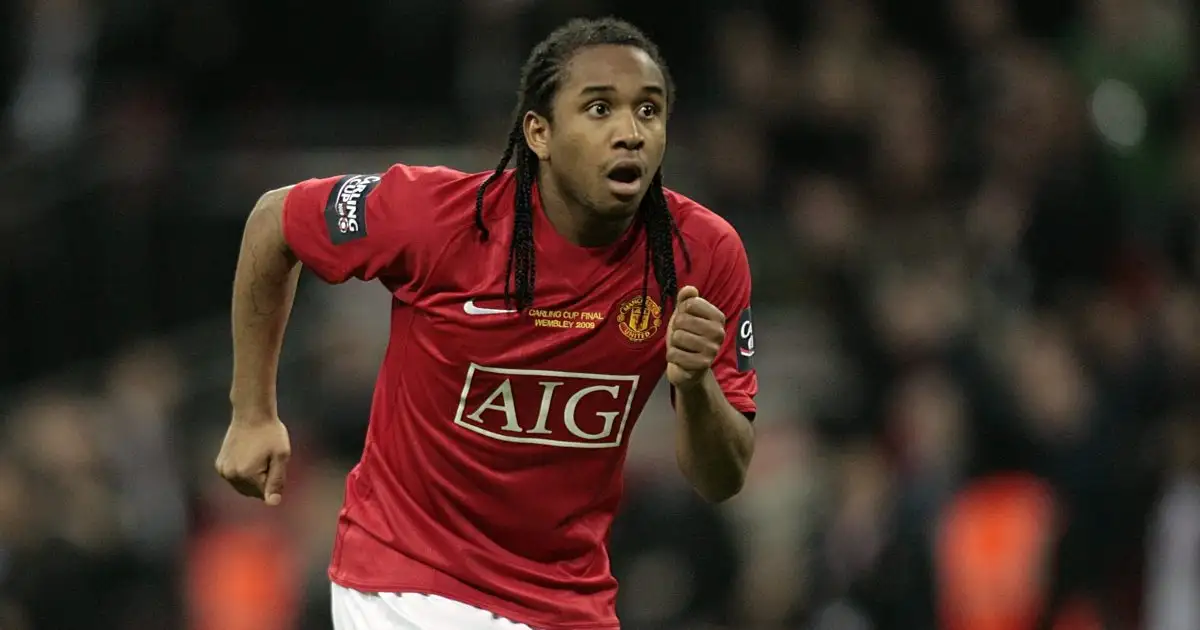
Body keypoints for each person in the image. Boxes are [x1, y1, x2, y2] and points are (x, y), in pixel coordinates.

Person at [214, 16, 759, 630]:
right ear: (539, 132)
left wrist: (695, 384)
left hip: (566, 601)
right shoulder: (439, 219)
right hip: (408, 581)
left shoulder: (702, 255)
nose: (630, 133)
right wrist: (252, 412)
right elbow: (274, 221)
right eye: (600, 109)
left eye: (649, 111)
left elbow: (722, 479)